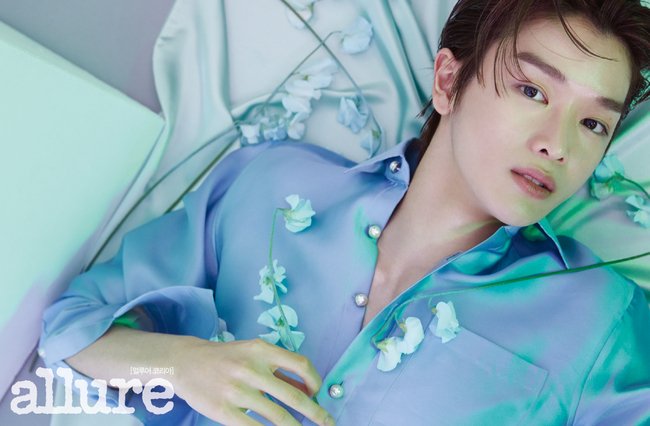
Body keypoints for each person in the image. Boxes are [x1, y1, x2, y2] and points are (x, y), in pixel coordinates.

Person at [39, 0, 650, 424]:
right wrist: (183, 367)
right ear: (448, 81)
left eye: (593, 124)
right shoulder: (270, 185)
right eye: (532, 90)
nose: (558, 145)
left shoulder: (601, 316)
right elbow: (71, 327)